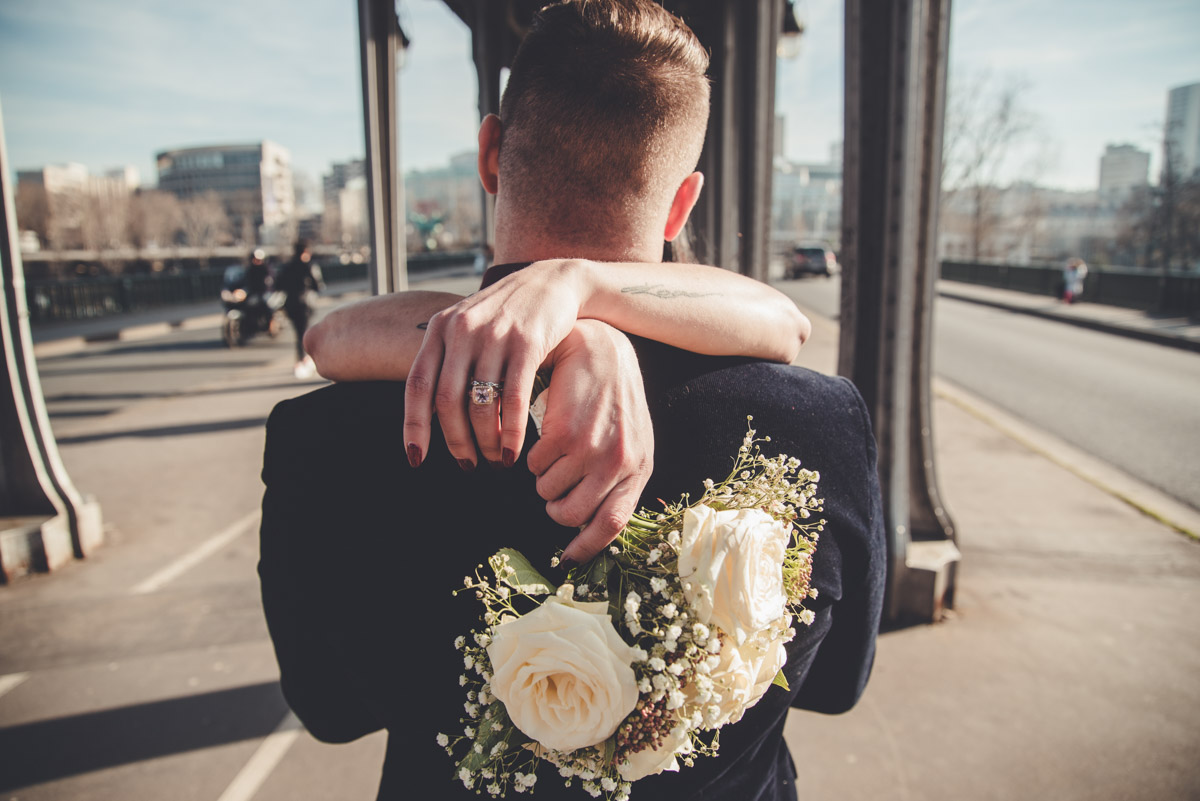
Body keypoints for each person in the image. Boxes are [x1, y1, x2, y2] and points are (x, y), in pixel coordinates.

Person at [259, 2, 885, 799]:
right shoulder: (819, 424)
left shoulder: (323, 433)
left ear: (491, 154)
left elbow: (330, 707)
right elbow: (836, 684)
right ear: (681, 203)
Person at [275, 239, 324, 377]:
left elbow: (278, 285)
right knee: (304, 333)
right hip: (304, 305)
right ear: (305, 252)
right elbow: (317, 286)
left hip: (290, 304)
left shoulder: (286, 267)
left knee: (299, 333)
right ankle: (303, 361)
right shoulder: (308, 266)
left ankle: (301, 360)